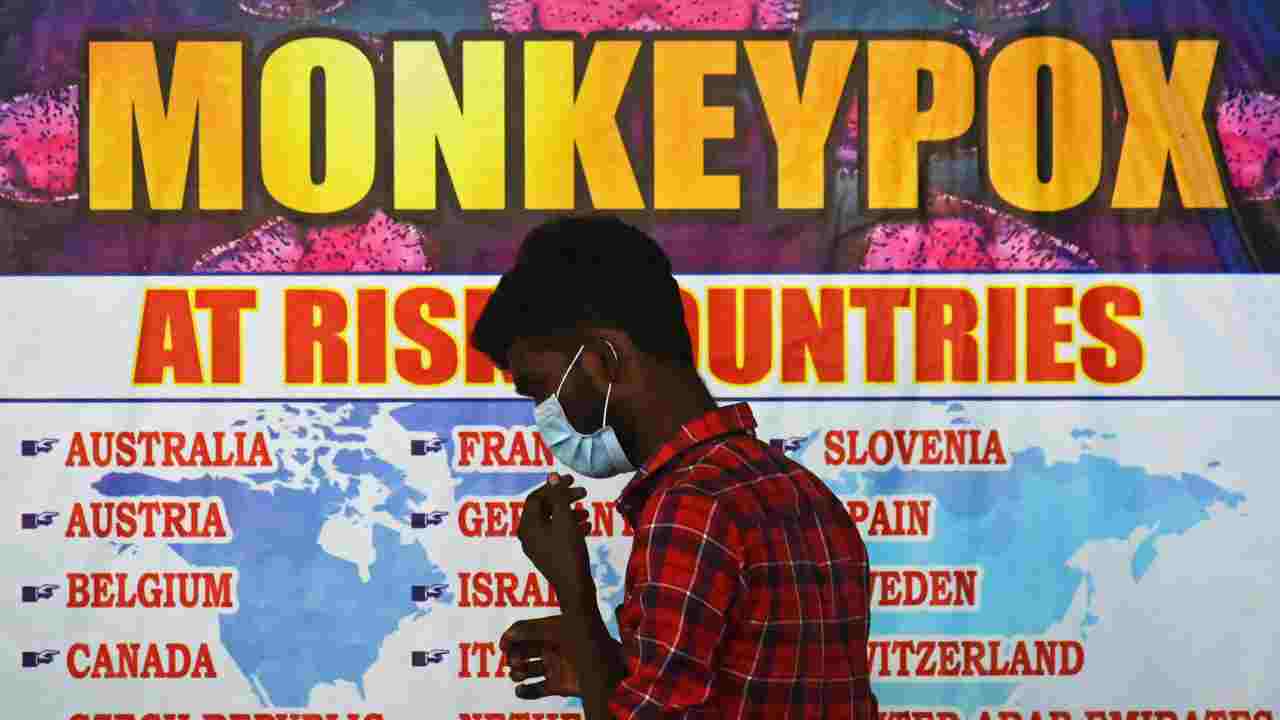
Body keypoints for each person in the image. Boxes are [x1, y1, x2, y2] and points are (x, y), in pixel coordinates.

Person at [470, 215, 879, 720]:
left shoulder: (690, 510)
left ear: (604, 361)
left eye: (541, 390)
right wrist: (594, 654)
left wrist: (573, 592)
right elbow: (747, 685)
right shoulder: (802, 490)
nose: (544, 415)